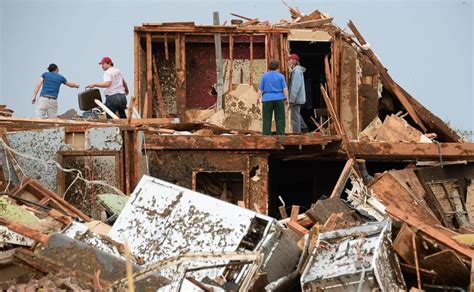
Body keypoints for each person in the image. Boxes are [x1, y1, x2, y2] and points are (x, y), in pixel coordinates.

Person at [258, 59, 288, 135]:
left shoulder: (264, 76)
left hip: (267, 99)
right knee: (280, 118)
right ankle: (280, 135)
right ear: (278, 67)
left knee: (267, 118)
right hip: (279, 98)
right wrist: (287, 98)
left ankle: (266, 136)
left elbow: (260, 89)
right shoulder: (281, 76)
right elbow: (285, 89)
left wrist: (258, 98)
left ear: (269, 67)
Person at [288, 53, 308, 133]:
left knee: (294, 116)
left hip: (296, 98)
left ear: (293, 61)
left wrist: (291, 99)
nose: (288, 62)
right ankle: (304, 127)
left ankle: (297, 132)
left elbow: (295, 87)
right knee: (296, 113)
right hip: (297, 97)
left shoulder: (296, 72)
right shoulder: (296, 71)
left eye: (289, 60)